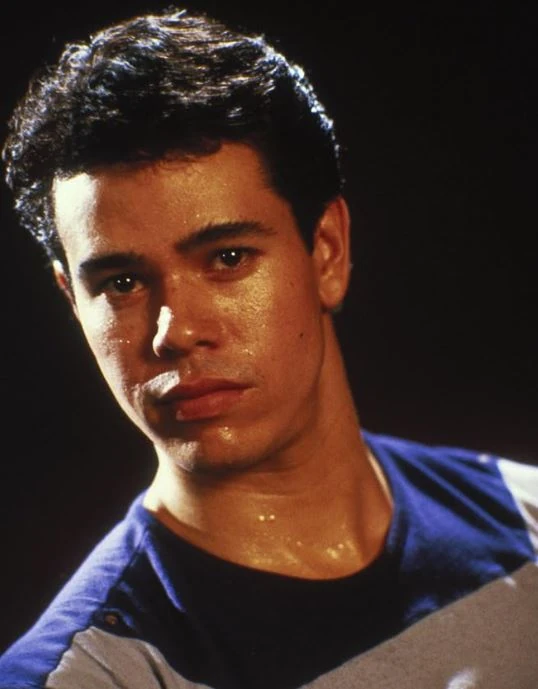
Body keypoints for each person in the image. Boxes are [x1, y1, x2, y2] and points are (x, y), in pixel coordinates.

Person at [1, 7, 537, 688]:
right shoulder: (85, 678)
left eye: (227, 257)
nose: (175, 331)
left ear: (327, 251)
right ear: (73, 301)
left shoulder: (527, 519)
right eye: (122, 282)